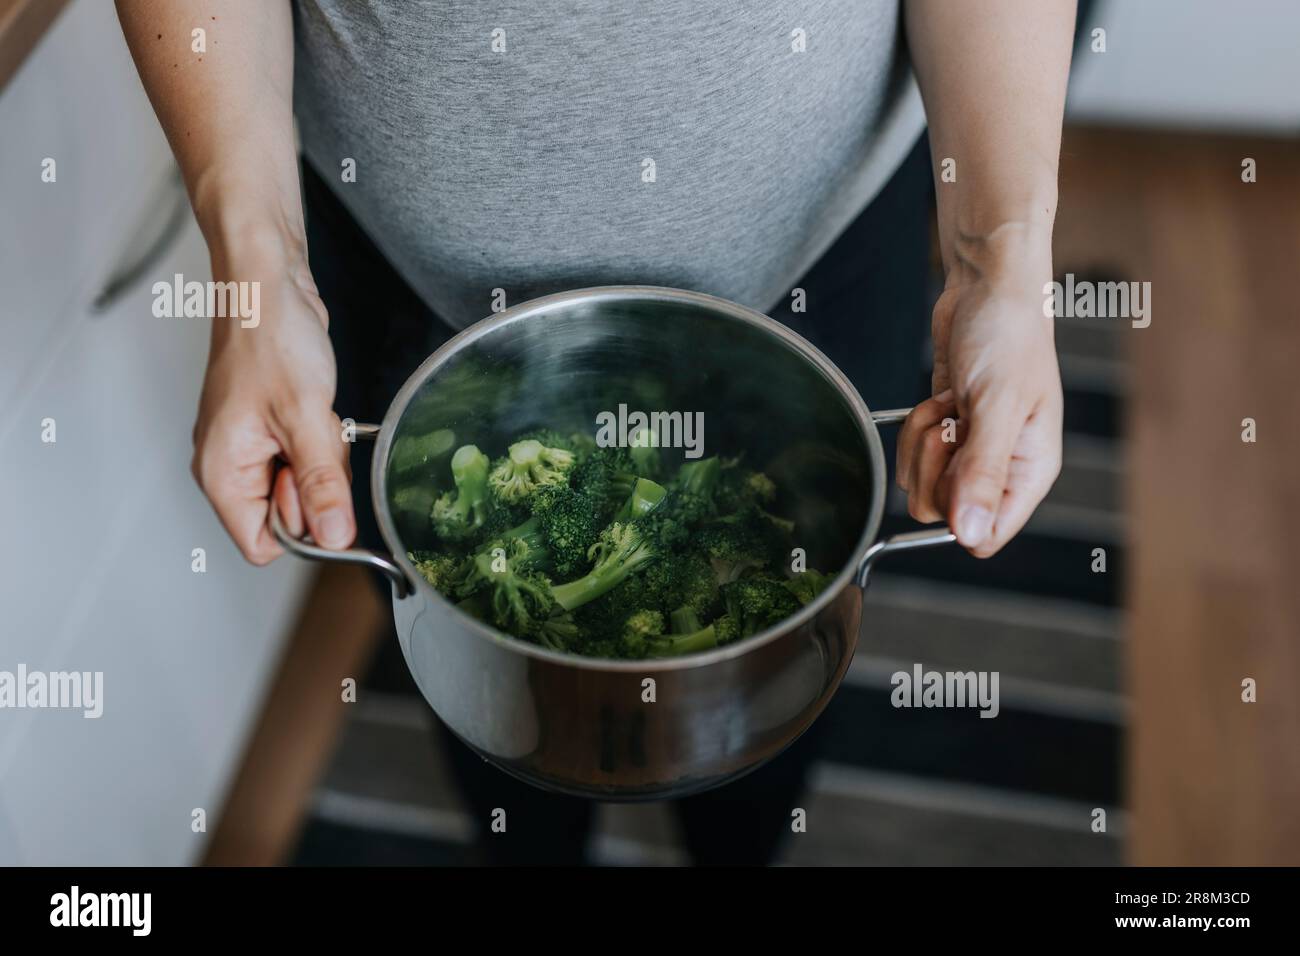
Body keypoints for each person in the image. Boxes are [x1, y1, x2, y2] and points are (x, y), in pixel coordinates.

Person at [117, 1, 1074, 865]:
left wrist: (1002, 261)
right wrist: (256, 270)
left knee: (775, 687)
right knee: (492, 703)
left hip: (827, 239)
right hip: (390, 267)